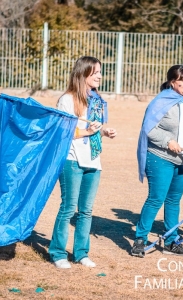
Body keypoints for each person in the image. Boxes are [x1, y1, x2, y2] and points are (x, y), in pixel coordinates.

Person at [132, 65, 183, 258]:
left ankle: (170, 240)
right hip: (161, 157)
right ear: (172, 82)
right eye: (182, 80)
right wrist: (168, 141)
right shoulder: (161, 101)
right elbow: (149, 129)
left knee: (174, 200)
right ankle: (140, 240)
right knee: (156, 198)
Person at [48, 56, 117, 269]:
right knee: (69, 208)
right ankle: (58, 253)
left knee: (86, 210)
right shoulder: (67, 100)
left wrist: (105, 131)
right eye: (95, 72)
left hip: (93, 161)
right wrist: (87, 131)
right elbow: (62, 132)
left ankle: (81, 253)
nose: (99, 76)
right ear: (83, 73)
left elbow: (96, 129)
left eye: (100, 72)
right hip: (72, 160)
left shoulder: (96, 100)